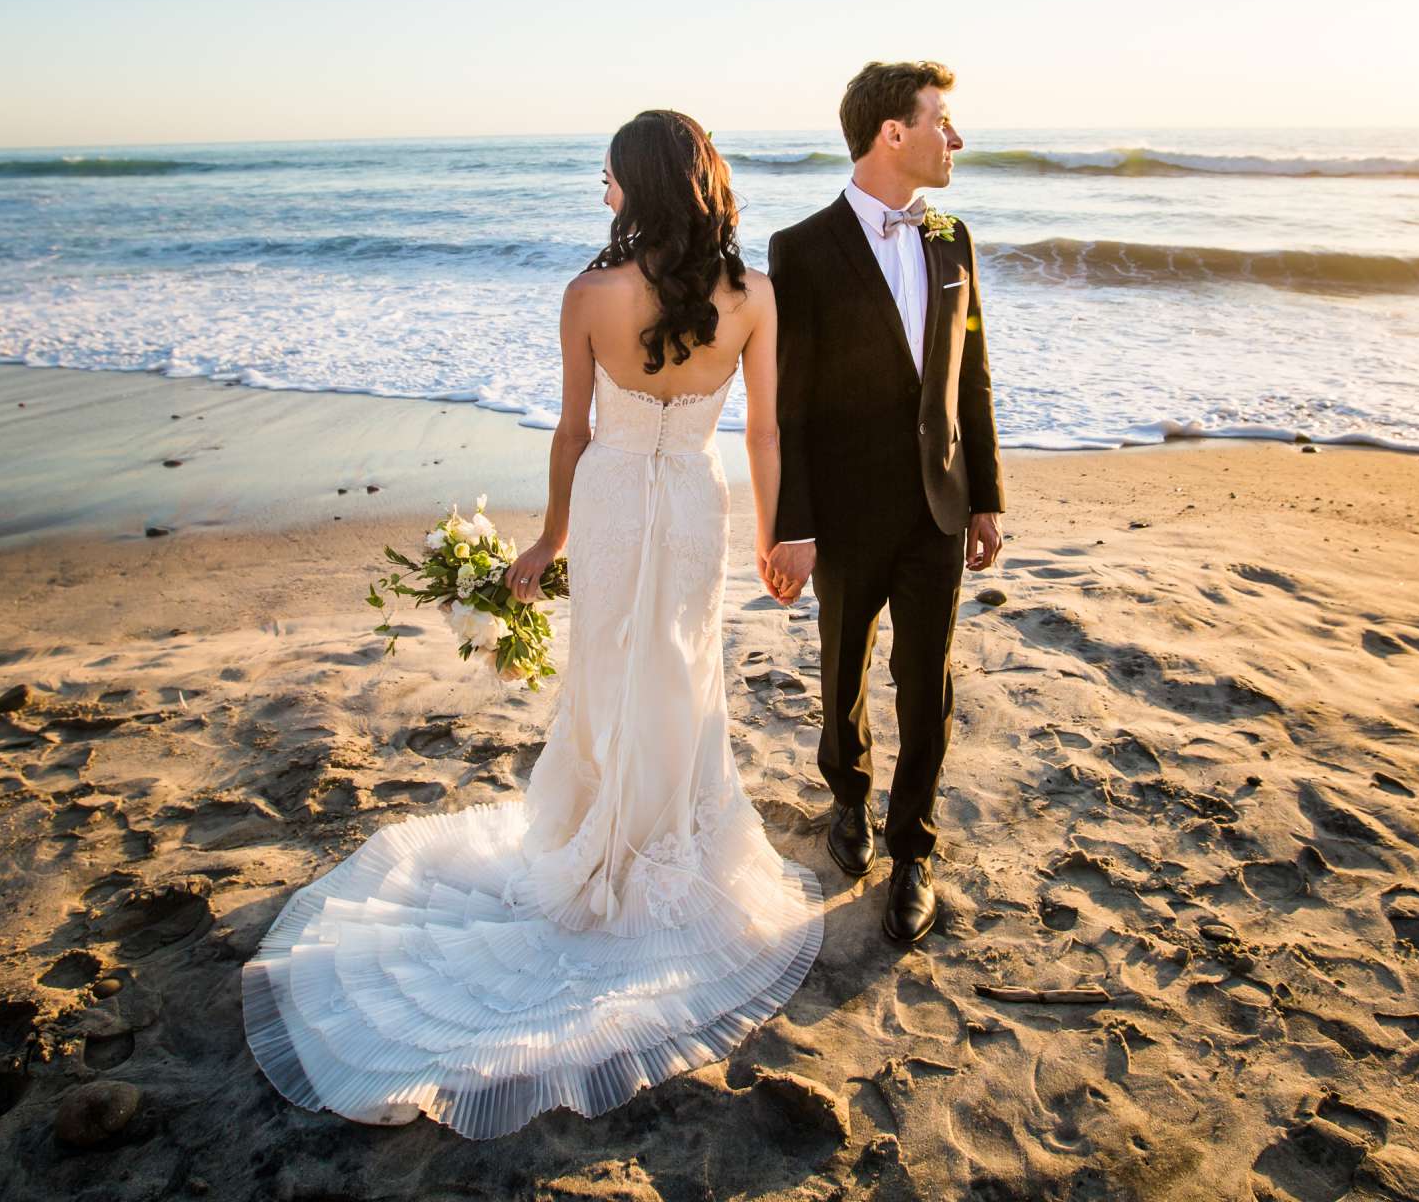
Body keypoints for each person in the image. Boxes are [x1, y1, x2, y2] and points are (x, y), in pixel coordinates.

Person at [241, 110, 823, 1138]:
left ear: (638, 186)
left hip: (608, 496)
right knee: (683, 667)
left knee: (606, 671)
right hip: (698, 494)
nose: (602, 191)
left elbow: (572, 429)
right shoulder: (753, 297)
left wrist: (548, 538)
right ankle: (663, 834)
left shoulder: (590, 294)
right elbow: (767, 429)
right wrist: (786, 540)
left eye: (608, 178)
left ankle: (607, 834)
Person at [761, 60, 1005, 945]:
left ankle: (913, 849)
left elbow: (969, 377)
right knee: (842, 675)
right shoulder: (801, 250)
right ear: (892, 134)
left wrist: (984, 496)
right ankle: (849, 797)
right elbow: (788, 403)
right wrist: (793, 525)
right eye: (943, 120)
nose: (956, 138)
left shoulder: (954, 238)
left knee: (927, 681)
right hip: (847, 513)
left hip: (939, 505)